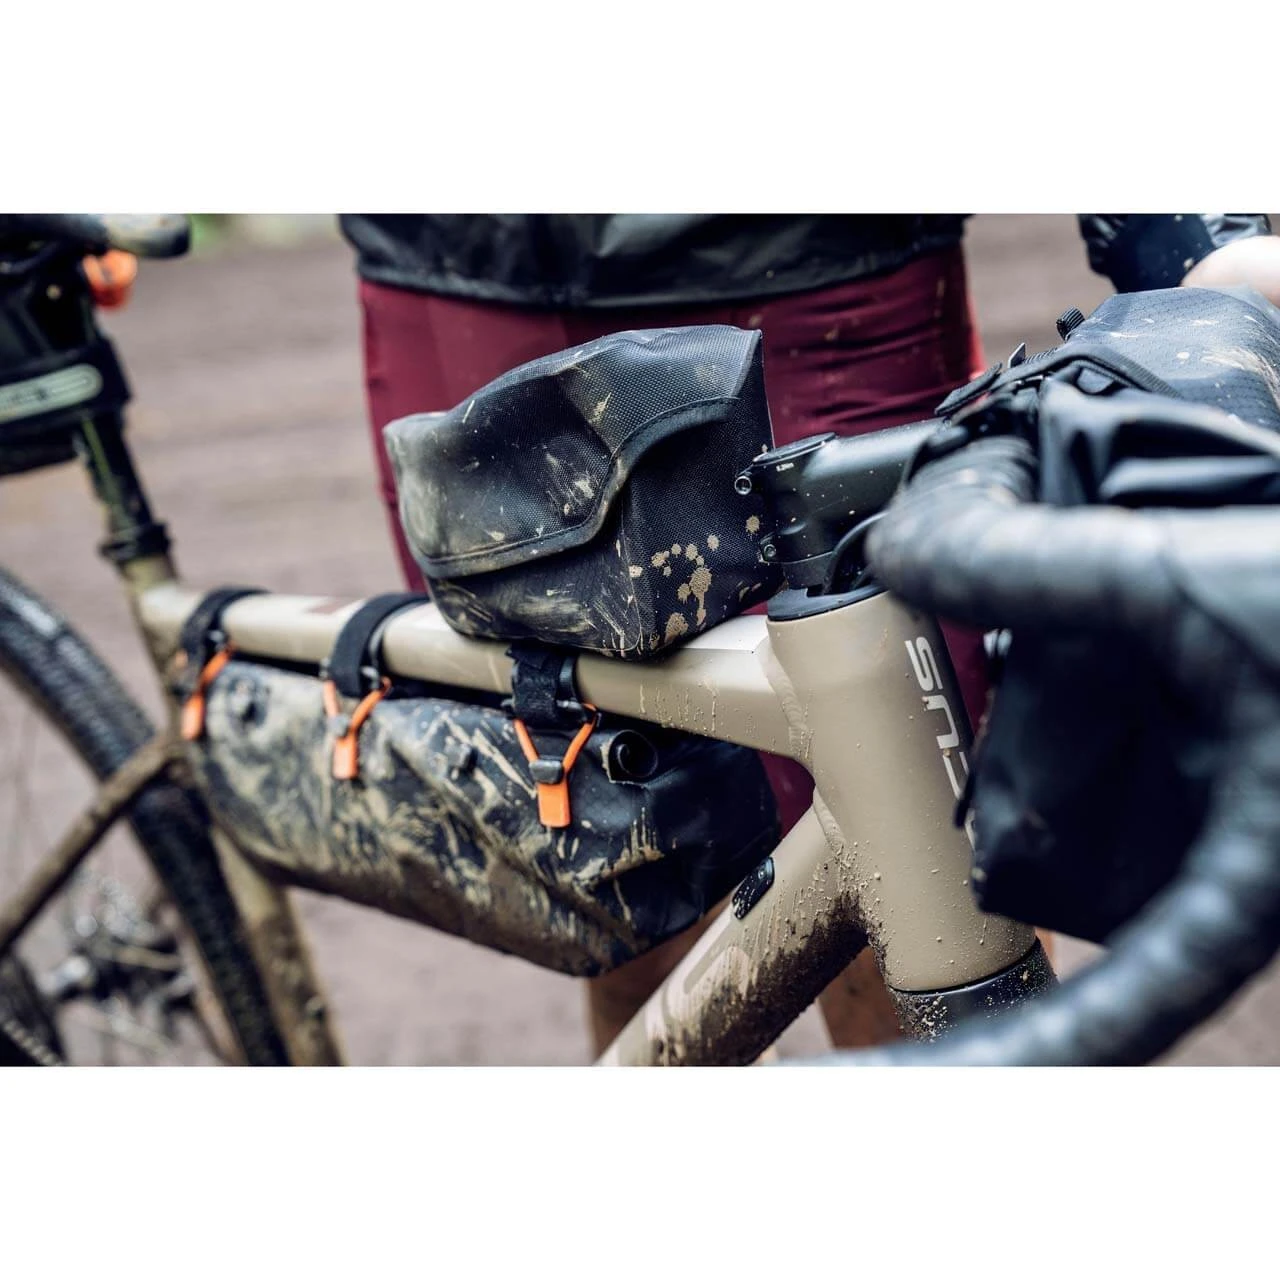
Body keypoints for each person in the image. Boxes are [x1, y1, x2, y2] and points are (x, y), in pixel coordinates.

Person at [340, 213, 1278, 1056]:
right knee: (617, 856)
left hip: (816, 282)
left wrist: (1194, 233)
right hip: (463, 278)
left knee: (915, 872)